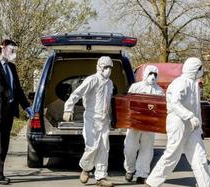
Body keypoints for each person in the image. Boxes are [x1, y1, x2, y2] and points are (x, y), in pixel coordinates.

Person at [145, 57, 210, 187]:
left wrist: (199, 128)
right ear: (194, 69)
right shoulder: (180, 83)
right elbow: (175, 103)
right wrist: (189, 116)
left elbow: (196, 107)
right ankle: (152, 183)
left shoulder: (194, 84)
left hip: (192, 125)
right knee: (172, 155)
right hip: (178, 122)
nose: (202, 70)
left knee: (200, 157)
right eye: (200, 68)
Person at [63, 56, 114, 187]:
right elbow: (76, 93)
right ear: (99, 67)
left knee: (104, 148)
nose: (108, 70)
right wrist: (68, 109)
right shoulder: (92, 80)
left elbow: (109, 102)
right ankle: (85, 169)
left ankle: (101, 177)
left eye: (110, 67)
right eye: (105, 67)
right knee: (92, 146)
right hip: (92, 118)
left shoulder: (110, 83)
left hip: (104, 120)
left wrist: (113, 118)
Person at [0, 39, 33, 185]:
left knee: (5, 144)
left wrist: (27, 107)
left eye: (15, 51)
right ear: (3, 48)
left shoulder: (12, 67)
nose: (14, 53)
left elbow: (18, 90)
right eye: (11, 50)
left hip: (9, 112)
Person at [124, 65, 164, 184]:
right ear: (145, 74)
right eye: (151, 73)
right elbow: (128, 103)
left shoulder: (159, 90)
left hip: (149, 124)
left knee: (146, 149)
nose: (153, 77)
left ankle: (142, 174)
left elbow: (161, 107)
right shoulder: (136, 87)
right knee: (129, 148)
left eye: (155, 74)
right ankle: (130, 169)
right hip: (135, 123)